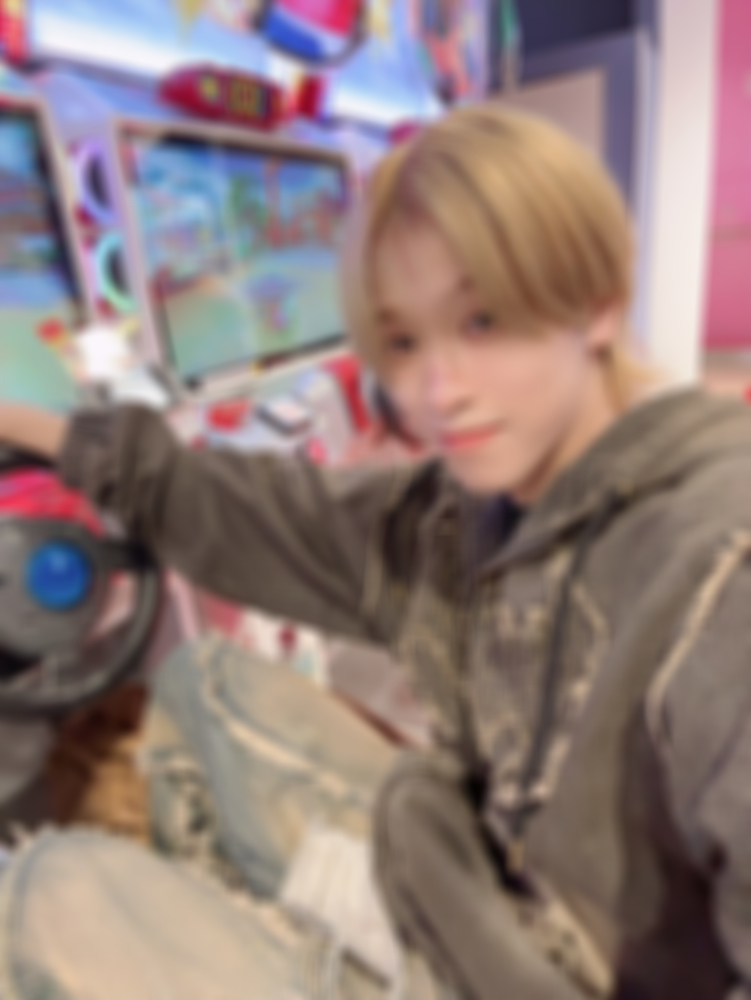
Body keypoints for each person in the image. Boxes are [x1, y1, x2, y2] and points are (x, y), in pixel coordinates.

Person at [1, 103, 751, 1000]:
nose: (438, 390)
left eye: (482, 321)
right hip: (470, 896)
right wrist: (24, 423)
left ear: (596, 308)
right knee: (204, 679)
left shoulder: (717, 566)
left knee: (49, 888)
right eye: (402, 341)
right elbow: (248, 510)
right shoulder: (466, 520)